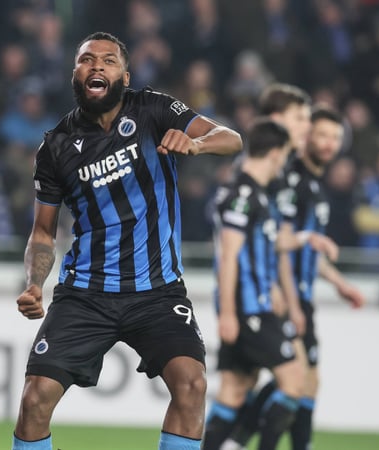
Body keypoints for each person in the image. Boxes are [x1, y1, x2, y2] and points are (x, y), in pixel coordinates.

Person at [12, 32, 242, 450]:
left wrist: (196, 144)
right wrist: (34, 283)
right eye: (87, 59)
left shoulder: (153, 108)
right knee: (34, 400)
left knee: (191, 385)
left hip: (157, 291)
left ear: (125, 75)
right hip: (86, 294)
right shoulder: (55, 146)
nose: (97, 65)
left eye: (108, 60)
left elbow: (231, 138)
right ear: (75, 74)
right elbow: (43, 231)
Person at [220, 108, 366, 450]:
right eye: (322, 134)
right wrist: (283, 295)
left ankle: (241, 441)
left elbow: (303, 247)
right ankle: (241, 441)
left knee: (302, 382)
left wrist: (339, 283)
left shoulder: (312, 185)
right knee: (294, 378)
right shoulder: (290, 182)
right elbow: (277, 245)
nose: (328, 143)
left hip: (299, 295)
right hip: (285, 297)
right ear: (307, 137)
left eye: (335, 137)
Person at [203, 118, 304, 450]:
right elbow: (228, 256)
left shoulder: (254, 194)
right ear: (275, 153)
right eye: (284, 156)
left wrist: (272, 285)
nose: (283, 164)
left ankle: (228, 445)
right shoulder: (243, 194)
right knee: (294, 380)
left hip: (255, 303)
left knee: (235, 390)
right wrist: (228, 313)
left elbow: (257, 252)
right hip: (248, 309)